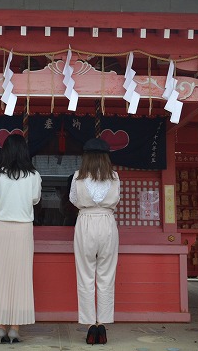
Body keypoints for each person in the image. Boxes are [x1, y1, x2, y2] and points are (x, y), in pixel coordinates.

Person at [0, 133, 42, 344]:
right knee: (21, 277)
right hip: (23, 229)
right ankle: (15, 329)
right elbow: (35, 199)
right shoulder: (33, 175)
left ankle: (0, 327)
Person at [69, 138, 120, 345]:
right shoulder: (115, 177)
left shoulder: (78, 177)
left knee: (85, 274)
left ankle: (90, 327)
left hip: (85, 222)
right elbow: (116, 200)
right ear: (106, 157)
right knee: (107, 275)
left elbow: (73, 199)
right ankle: (103, 326)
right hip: (107, 222)